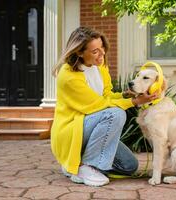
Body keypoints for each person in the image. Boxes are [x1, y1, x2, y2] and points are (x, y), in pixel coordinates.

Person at [50, 26, 158, 187]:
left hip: (90, 126)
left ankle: (74, 165)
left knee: (129, 166)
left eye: (102, 48)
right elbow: (99, 105)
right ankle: (88, 166)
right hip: (72, 130)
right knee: (116, 114)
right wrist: (134, 103)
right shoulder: (68, 76)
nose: (102, 54)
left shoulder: (100, 68)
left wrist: (125, 95)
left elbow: (106, 96)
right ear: (79, 52)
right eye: (95, 51)